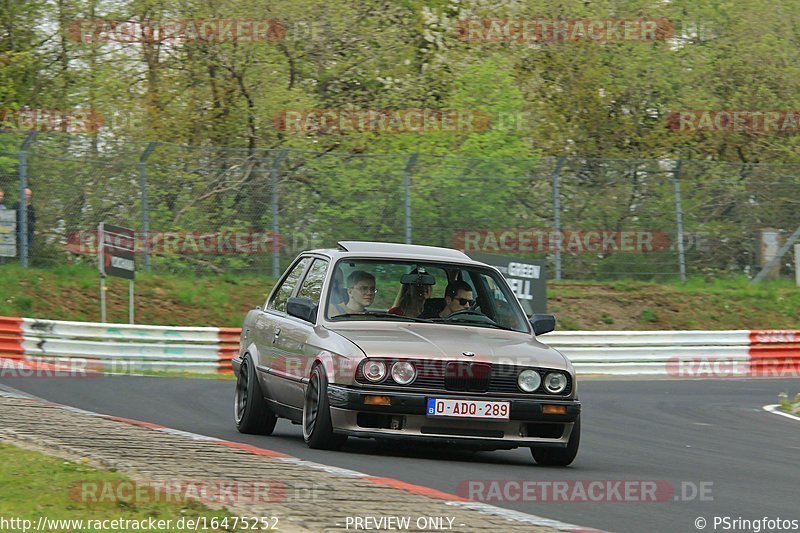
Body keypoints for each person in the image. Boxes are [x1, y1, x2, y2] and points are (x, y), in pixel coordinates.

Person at [13, 188, 35, 256]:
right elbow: (13, 218)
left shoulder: (31, 207)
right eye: (26, 194)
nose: (28, 196)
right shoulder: (16, 205)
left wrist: (33, 229)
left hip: (29, 231)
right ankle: (21, 261)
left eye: (29, 195)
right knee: (22, 247)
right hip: (19, 231)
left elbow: (33, 219)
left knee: (29, 248)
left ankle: (27, 262)